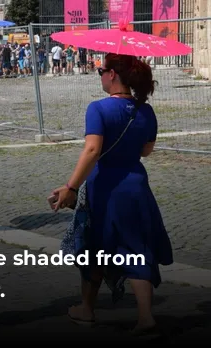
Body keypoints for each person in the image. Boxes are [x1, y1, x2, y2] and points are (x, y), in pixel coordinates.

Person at [50, 53, 173, 336]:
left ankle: (86, 309)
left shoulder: (98, 109)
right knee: (136, 247)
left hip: (106, 185)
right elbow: (146, 150)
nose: (100, 75)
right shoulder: (147, 111)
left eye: (101, 70)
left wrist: (70, 187)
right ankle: (145, 316)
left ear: (113, 75)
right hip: (136, 185)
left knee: (94, 247)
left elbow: (92, 150)